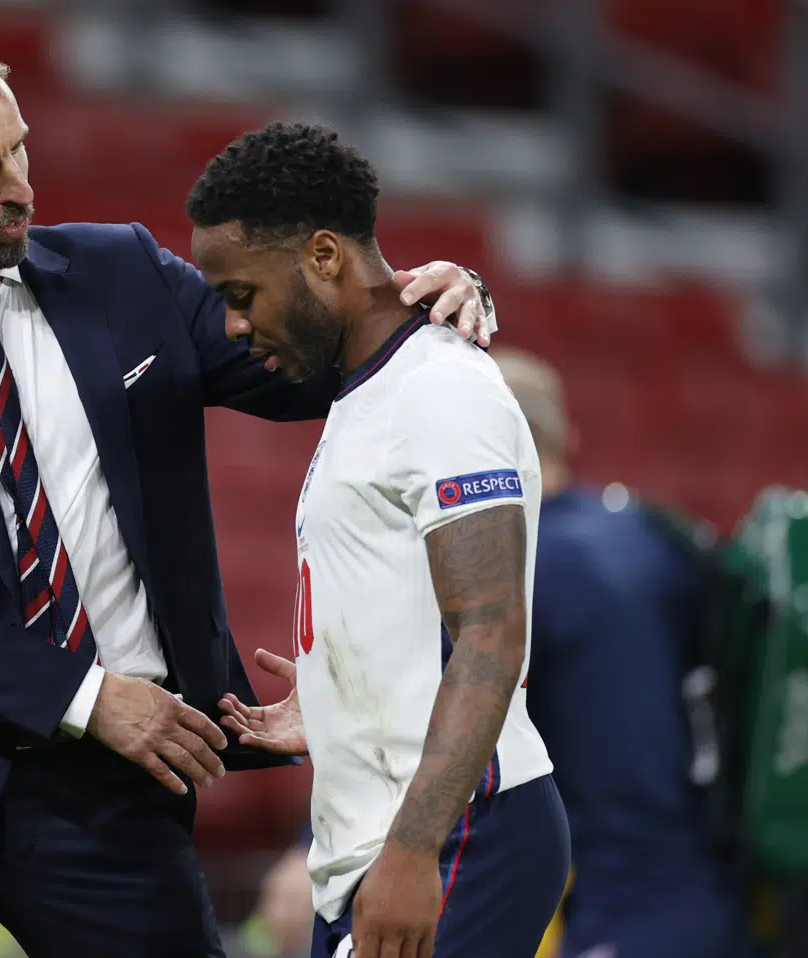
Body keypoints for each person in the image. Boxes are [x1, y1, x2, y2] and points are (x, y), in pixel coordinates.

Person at [0, 21, 498, 958]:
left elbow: (316, 365)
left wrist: (425, 303)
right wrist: (85, 693)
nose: (18, 186)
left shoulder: (123, 273)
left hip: (114, 795)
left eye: (19, 148)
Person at [201, 122, 570, 958]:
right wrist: (341, 697)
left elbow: (490, 628)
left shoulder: (440, 388)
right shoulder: (366, 392)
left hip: (454, 835)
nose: (230, 325)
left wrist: (413, 854)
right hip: (384, 842)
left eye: (241, 294)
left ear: (324, 257)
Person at [492, 348, 748, 958]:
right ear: (568, 440)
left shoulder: (511, 573)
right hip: (720, 905)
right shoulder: (654, 534)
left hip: (611, 917)